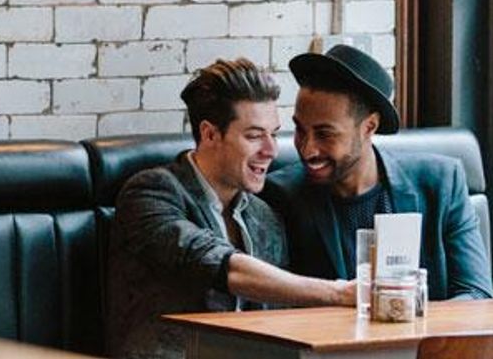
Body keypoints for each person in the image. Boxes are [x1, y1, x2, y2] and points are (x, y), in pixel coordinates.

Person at [105, 58, 354, 359]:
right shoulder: (150, 193)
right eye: (254, 135)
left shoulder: (264, 217)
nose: (271, 150)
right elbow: (213, 262)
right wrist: (338, 293)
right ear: (210, 134)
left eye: (273, 134)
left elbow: (278, 325)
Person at [261, 44, 493, 300]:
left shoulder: (441, 183)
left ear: (369, 126)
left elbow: (476, 295)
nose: (307, 149)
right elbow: (271, 308)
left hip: (424, 339)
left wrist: (411, 323)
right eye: (300, 130)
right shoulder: (281, 195)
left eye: (325, 134)